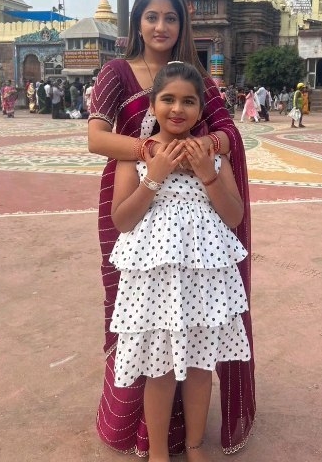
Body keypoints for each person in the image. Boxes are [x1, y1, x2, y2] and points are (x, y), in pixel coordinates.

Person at [88, 0, 254, 458]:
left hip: (198, 208)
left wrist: (205, 155)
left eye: (171, 18)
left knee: (194, 337)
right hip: (137, 202)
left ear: (183, 25)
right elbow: (97, 140)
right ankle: (143, 434)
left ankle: (191, 438)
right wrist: (153, 155)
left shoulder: (195, 76)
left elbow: (227, 133)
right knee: (146, 332)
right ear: (137, 22)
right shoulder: (117, 72)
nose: (161, 27)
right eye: (151, 17)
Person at [110, 62, 251, 461]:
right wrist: (154, 175)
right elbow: (122, 219)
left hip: (205, 279)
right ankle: (157, 450)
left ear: (201, 110)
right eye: (168, 99)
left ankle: (194, 445)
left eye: (188, 101)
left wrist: (207, 173)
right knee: (160, 368)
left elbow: (234, 216)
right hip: (153, 280)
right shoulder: (136, 155)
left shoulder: (213, 153)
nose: (177, 108)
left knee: (202, 365)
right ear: (152, 105)